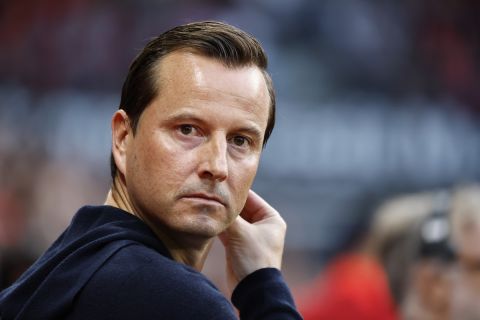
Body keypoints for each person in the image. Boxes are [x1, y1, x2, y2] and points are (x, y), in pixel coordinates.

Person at [0, 21, 302, 319]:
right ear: (122, 138)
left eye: (240, 140)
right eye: (188, 130)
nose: (217, 166)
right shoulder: (173, 298)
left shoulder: (72, 267)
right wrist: (264, 287)